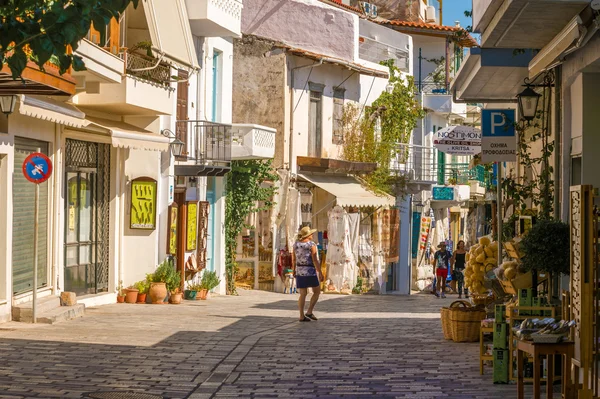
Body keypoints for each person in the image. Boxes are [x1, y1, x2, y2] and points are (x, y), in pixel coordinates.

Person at [291, 226, 323, 322]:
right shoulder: (311, 244)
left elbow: (294, 259)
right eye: (311, 234)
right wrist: (320, 272)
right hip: (310, 270)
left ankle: (301, 315)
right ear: (308, 235)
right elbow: (315, 259)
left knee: (303, 293)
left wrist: (294, 270)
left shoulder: (296, 244)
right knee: (317, 291)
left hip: (300, 270)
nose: (312, 235)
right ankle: (309, 311)